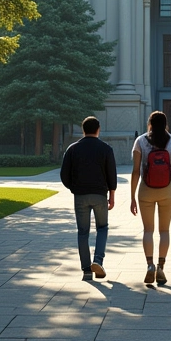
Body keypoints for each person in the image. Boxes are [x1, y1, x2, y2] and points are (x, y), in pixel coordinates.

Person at [60, 116, 117, 281]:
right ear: (98, 129)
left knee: (83, 232)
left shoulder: (73, 149)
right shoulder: (106, 149)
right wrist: (112, 195)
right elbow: (111, 174)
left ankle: (86, 270)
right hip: (100, 195)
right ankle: (98, 260)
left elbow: (64, 174)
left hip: (80, 195)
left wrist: (74, 188)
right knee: (102, 228)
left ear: (83, 129)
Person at [130, 111, 171, 285]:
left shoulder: (140, 141)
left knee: (148, 230)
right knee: (164, 231)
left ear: (150, 123)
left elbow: (136, 171)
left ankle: (150, 265)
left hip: (146, 188)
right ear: (165, 123)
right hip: (167, 189)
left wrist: (132, 197)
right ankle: (161, 267)